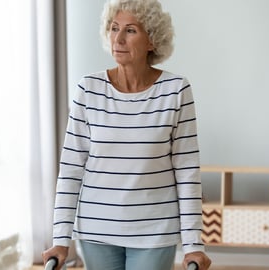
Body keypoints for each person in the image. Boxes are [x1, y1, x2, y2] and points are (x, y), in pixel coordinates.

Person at [42, 0, 212, 269]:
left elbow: (187, 171)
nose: (118, 39)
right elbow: (71, 169)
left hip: (155, 231)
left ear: (152, 41)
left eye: (130, 30)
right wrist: (61, 239)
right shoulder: (89, 89)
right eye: (114, 28)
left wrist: (194, 244)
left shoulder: (176, 90)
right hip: (96, 230)